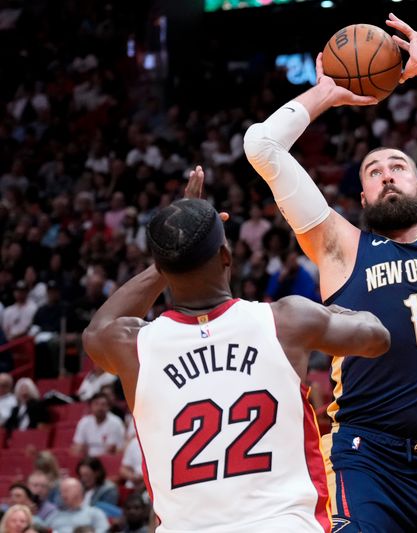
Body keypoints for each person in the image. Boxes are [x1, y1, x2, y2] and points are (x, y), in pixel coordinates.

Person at [243, 13, 417, 532]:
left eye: (398, 167)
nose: (387, 174)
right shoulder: (341, 247)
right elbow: (262, 146)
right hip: (367, 456)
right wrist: (324, 93)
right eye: (374, 172)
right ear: (363, 196)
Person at [81, 167, 390, 533]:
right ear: (226, 256)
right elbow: (378, 336)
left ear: (164, 268)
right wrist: (332, 313)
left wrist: (173, 252)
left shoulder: (135, 346)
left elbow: (97, 329)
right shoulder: (288, 320)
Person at [71, 392, 126, 457]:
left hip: (107, 459)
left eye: (103, 404)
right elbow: (78, 446)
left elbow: (114, 449)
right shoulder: (84, 422)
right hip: (87, 459)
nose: (100, 408)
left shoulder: (116, 422)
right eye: (96, 404)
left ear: (108, 407)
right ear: (91, 406)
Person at [44, 478, 108, 533]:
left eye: (66, 491)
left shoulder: (95, 513)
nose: (62, 495)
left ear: (78, 491)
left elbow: (103, 530)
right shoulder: (54, 515)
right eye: (61, 492)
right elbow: (42, 530)